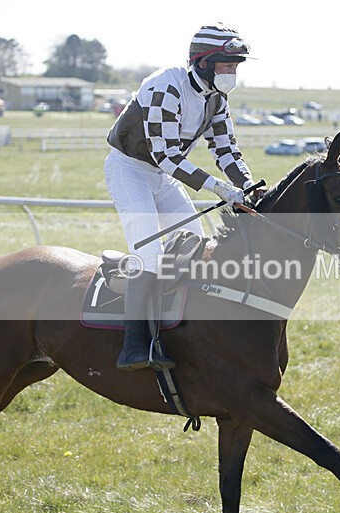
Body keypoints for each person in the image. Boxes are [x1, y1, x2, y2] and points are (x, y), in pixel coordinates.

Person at [104, 23, 254, 371]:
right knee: (150, 253)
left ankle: (176, 329)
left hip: (161, 175)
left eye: (235, 66)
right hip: (130, 170)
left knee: (194, 244)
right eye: (227, 65)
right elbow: (166, 155)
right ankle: (133, 345)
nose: (232, 73)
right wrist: (217, 187)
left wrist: (246, 184)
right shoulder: (165, 85)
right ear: (203, 63)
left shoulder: (216, 97)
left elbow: (227, 148)